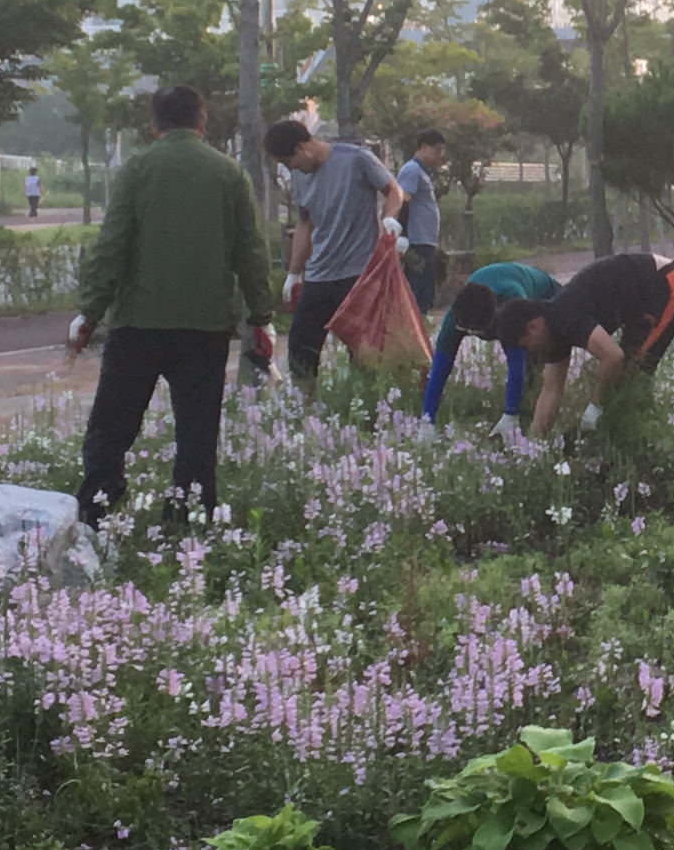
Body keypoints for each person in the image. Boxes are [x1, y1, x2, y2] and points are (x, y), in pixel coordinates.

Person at [67, 83, 279, 525]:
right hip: (204, 327)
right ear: (202, 121)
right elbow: (252, 253)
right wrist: (261, 316)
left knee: (112, 427)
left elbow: (112, 245)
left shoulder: (137, 169)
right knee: (197, 431)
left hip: (138, 323)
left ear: (154, 124)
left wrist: (90, 311)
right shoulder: (228, 173)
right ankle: (188, 517)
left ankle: (96, 511)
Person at [485, 249, 674, 437]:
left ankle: (655, 439)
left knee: (633, 373)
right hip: (639, 303)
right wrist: (532, 446)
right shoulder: (551, 335)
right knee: (625, 380)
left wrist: (595, 406)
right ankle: (639, 438)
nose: (529, 353)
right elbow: (551, 391)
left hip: (667, 282)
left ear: (533, 327)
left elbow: (613, 356)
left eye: (525, 345)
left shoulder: (565, 316)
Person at [268, 113, 405, 388]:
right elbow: (306, 224)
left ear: (300, 148)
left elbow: (394, 190)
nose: (290, 169)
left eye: (288, 162)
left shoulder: (357, 159)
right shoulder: (301, 178)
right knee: (301, 346)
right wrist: (294, 274)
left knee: (362, 351)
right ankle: (304, 407)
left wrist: (390, 219)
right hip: (320, 274)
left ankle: (362, 412)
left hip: (358, 274)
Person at [422, 259, 554, 424]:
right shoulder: (455, 318)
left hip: (544, 292)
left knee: (538, 360)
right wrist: (427, 419)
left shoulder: (512, 301)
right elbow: (439, 371)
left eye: (479, 331)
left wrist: (510, 414)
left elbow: (516, 363)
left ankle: (530, 412)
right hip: (497, 293)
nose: (475, 335)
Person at [396, 130, 450, 318]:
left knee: (426, 289)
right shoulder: (411, 170)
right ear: (424, 147)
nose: (439, 155)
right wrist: (401, 235)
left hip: (425, 240)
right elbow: (403, 201)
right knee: (416, 290)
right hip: (415, 241)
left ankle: (421, 327)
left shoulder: (422, 172)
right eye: (437, 150)